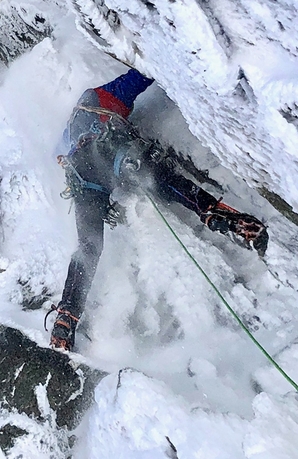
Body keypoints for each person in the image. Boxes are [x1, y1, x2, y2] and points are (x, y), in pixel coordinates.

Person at [46, 69, 269, 351]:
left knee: (89, 247)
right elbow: (142, 73)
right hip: (115, 156)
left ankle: (67, 315)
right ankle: (213, 212)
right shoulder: (102, 96)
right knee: (162, 179)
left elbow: (57, 155)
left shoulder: (71, 129)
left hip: (85, 179)